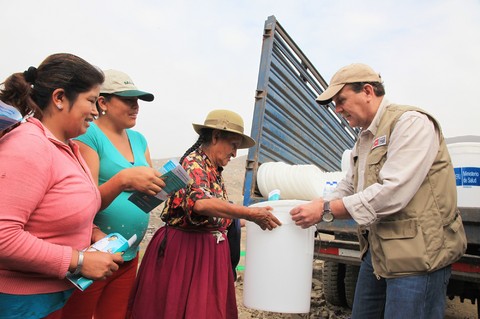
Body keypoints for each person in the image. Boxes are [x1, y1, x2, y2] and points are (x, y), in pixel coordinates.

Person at [290, 63, 467, 319]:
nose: (337, 109)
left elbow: (392, 193)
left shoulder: (410, 123)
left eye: (341, 100)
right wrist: (320, 204)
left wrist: (326, 210)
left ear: (368, 91)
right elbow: (349, 185)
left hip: (416, 260)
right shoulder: (364, 138)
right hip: (377, 255)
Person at [0, 53, 125, 319]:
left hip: (51, 297)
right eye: (91, 101)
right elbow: (3, 236)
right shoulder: (29, 146)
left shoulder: (68, 148)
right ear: (59, 98)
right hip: (21, 303)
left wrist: (92, 234)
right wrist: (79, 260)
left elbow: (53, 207)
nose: (96, 111)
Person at [127, 109, 282, 319]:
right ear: (216, 137)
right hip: (187, 252)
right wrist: (251, 213)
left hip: (206, 253)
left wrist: (246, 220)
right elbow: (200, 204)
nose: (235, 153)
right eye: (234, 145)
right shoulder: (194, 163)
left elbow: (216, 215)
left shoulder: (213, 169)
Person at [60, 70, 165, 319]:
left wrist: (161, 188)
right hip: (96, 249)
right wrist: (122, 180)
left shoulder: (139, 140)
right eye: (128, 100)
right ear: (103, 102)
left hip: (128, 253)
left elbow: (147, 193)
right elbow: (84, 199)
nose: (135, 106)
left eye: (137, 101)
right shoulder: (89, 135)